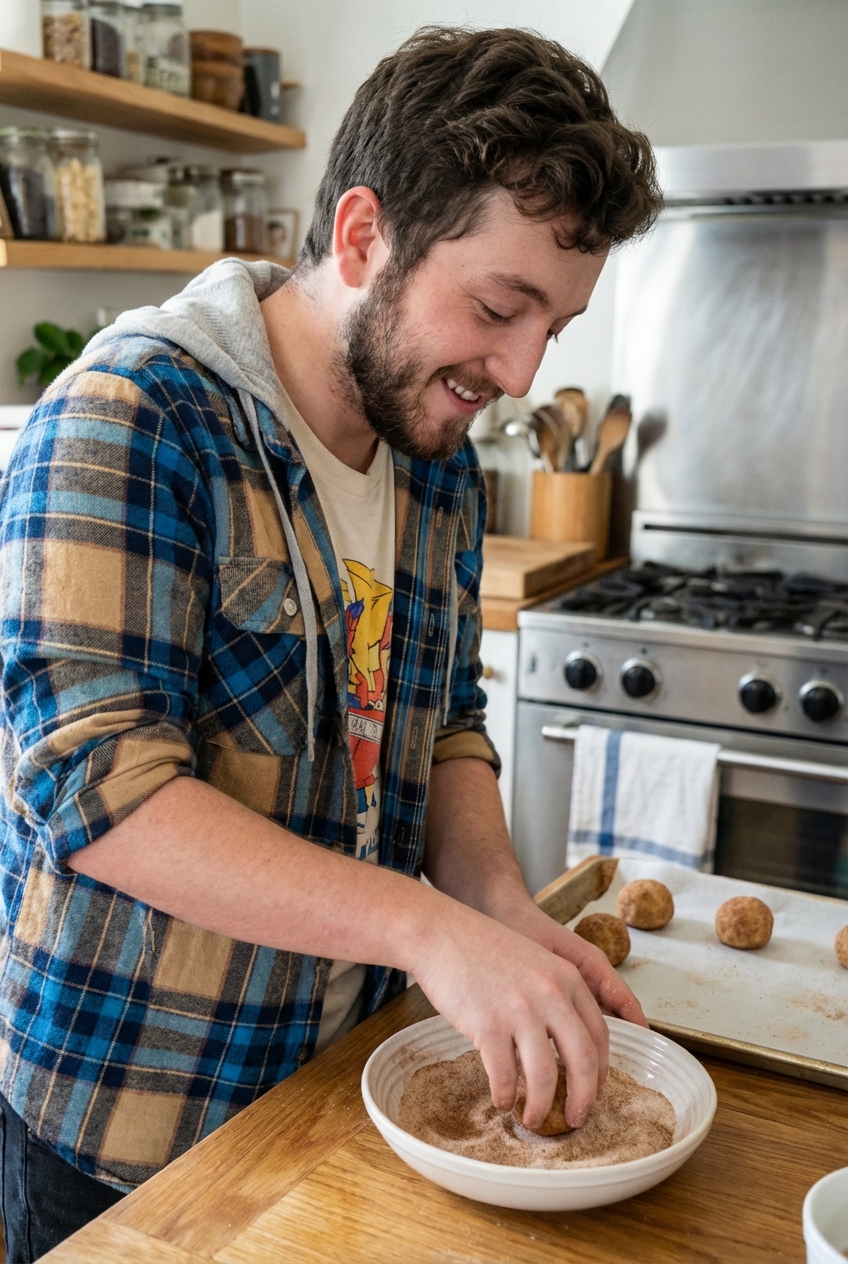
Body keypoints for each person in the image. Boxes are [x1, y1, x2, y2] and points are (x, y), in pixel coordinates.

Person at [0, 25, 661, 1260]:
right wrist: (426, 930)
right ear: (362, 236)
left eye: (551, 331)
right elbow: (98, 792)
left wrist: (497, 903)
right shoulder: (130, 418)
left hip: (340, 1084)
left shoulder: (433, 459)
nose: (516, 370)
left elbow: (443, 716)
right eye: (498, 307)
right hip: (134, 1122)